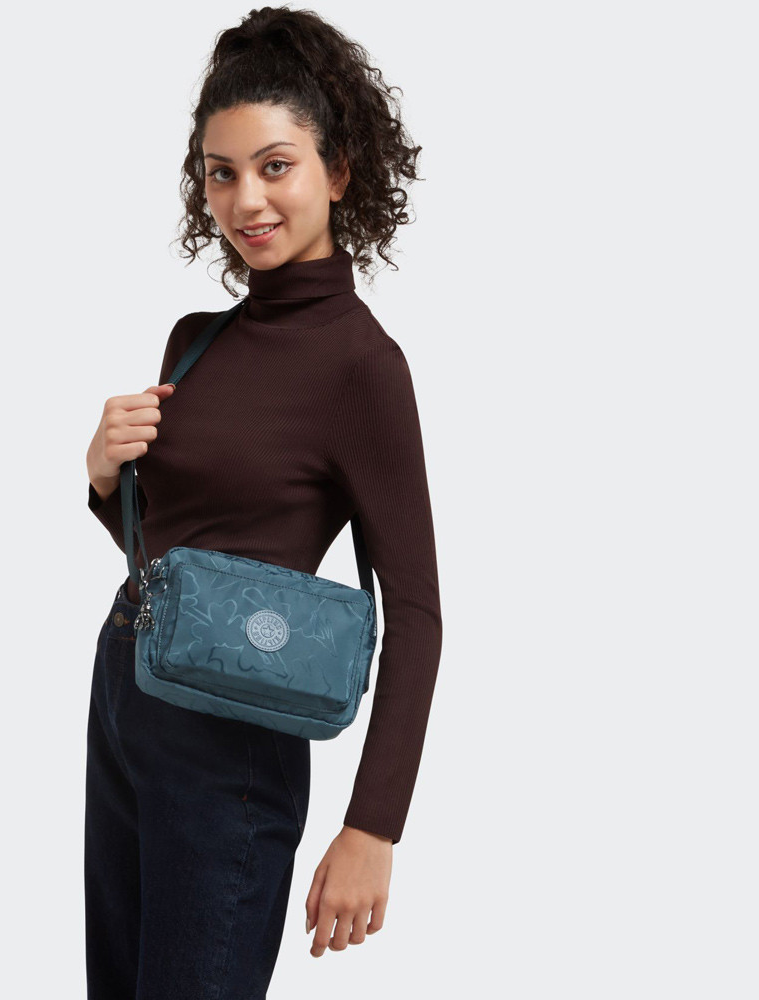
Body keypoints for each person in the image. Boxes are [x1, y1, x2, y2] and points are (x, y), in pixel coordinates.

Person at [82, 7, 442, 997]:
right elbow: (178, 547)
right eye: (221, 172)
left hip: (234, 737)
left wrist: (373, 826)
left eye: (275, 166)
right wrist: (105, 478)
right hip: (125, 694)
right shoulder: (194, 339)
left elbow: (416, 609)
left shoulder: (362, 367)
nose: (246, 200)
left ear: (339, 170)